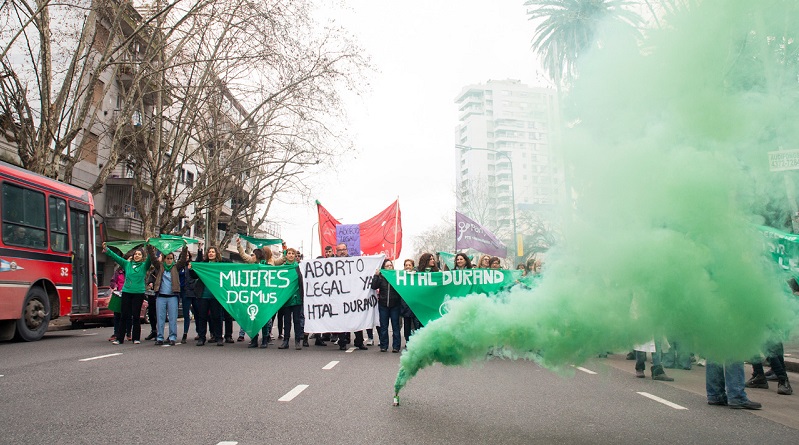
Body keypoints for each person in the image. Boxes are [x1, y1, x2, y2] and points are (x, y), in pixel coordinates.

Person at [103, 243, 153, 345]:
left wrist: (149, 245)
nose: (137, 256)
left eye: (139, 254)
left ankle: (136, 338)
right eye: (136, 254)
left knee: (135, 316)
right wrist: (107, 249)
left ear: (142, 257)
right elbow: (116, 257)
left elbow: (150, 258)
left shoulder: (144, 266)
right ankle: (119, 338)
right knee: (124, 315)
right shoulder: (127, 264)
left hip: (138, 293)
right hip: (126, 292)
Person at [189, 245, 228, 346]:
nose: (211, 253)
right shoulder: (202, 265)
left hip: (216, 295)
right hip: (203, 295)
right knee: (202, 317)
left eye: (213, 252)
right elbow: (194, 276)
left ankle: (219, 337)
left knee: (217, 316)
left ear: (216, 254)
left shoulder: (220, 265)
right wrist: (191, 269)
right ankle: (202, 337)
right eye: (209, 252)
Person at [151, 246, 189, 346]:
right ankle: (160, 337)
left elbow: (183, 259)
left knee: (173, 318)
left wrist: (184, 247)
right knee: (160, 318)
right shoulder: (160, 267)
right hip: (161, 296)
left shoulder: (176, 267)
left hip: (172, 296)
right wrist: (149, 247)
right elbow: (153, 258)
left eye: (171, 258)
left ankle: (172, 337)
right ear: (164, 259)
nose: (169, 260)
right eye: (167, 258)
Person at [335, 242, 367, 350]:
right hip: (339, 296)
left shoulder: (354, 262)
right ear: (337, 252)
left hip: (353, 296)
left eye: (344, 249)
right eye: (339, 250)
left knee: (356, 318)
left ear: (347, 250)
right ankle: (342, 342)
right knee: (341, 320)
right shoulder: (332, 263)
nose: (342, 252)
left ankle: (359, 341)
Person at [372, 258, 402, 352]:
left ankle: (396, 346)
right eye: (387, 266)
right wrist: (376, 276)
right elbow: (373, 286)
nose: (389, 267)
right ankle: (384, 346)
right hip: (383, 305)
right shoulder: (381, 277)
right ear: (383, 267)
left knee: (395, 326)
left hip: (395, 305)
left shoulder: (396, 276)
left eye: (391, 265)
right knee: (384, 326)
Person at [277, 247, 305, 350]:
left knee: (297, 320)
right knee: (287, 320)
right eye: (289, 253)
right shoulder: (282, 268)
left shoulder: (299, 267)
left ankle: (298, 340)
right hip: (286, 299)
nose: (291, 255)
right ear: (286, 255)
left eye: (293, 254)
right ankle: (286, 341)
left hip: (297, 297)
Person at [400, 259, 420, 348]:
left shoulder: (417, 276)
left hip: (415, 306)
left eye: (409, 265)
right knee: (407, 326)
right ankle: (408, 342)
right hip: (405, 306)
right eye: (406, 265)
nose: (408, 267)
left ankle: (417, 342)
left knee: (416, 326)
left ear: (413, 267)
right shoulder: (400, 277)